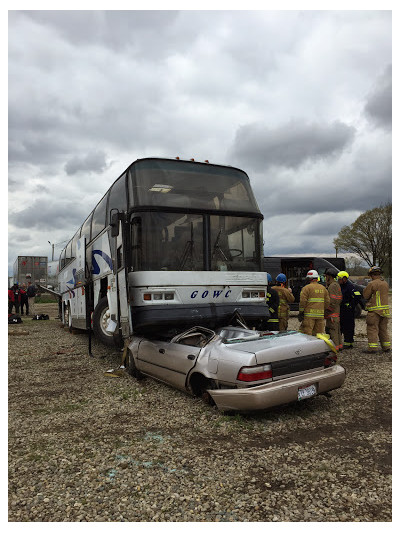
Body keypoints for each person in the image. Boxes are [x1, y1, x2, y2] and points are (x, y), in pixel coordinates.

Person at [362, 266, 391, 353]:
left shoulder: (372, 284)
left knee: (372, 329)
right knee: (383, 329)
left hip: (375, 311)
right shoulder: (385, 283)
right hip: (385, 311)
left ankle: (373, 348)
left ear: (371, 275)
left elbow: (365, 295)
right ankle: (386, 347)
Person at [298, 269, 330, 336]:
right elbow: (327, 302)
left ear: (309, 278)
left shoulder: (306, 288)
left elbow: (302, 302)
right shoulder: (323, 288)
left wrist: (301, 312)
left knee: (307, 335)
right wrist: (322, 310)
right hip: (320, 316)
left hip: (309, 316)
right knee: (319, 335)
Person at [337, 271, 362, 350]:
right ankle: (346, 342)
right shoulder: (340, 286)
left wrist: (351, 305)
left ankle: (348, 342)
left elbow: (357, 296)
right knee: (342, 326)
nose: (339, 280)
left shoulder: (350, 286)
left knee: (348, 327)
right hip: (342, 309)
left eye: (340, 279)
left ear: (344, 279)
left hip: (348, 311)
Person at [324, 268, 343, 351]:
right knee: (337, 330)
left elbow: (332, 301)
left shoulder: (332, 286)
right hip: (336, 313)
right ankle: (339, 346)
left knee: (332, 331)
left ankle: (334, 349)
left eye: (326, 276)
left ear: (329, 276)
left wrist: (327, 311)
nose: (325, 278)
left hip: (332, 314)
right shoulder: (336, 284)